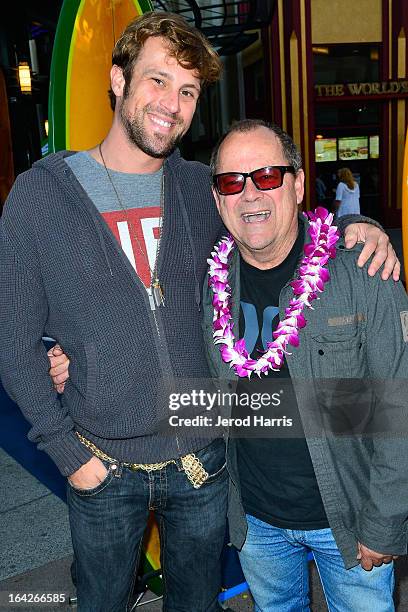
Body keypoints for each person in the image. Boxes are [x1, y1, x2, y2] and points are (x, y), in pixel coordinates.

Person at [0, 10, 400, 612]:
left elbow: (278, 217)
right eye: (158, 80)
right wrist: (65, 452)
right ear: (116, 80)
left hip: (204, 467)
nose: (173, 103)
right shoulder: (40, 196)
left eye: (188, 90)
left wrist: (359, 226)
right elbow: (14, 337)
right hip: (102, 468)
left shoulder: (202, 189)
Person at [200, 119, 408, 611]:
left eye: (267, 176)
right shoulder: (208, 283)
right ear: (218, 200)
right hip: (257, 523)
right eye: (232, 181)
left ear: (296, 184)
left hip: (352, 517)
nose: (250, 194)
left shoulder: (361, 270)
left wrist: (385, 522)